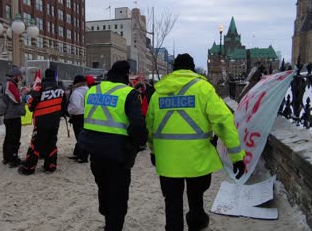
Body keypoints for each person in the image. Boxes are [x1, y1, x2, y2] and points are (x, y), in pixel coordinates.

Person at [146, 53, 246, 231]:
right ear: (192, 69)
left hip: (168, 160)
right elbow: (223, 122)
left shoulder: (158, 93)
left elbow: (151, 127)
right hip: (197, 159)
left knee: (172, 201)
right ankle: (196, 222)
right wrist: (236, 156)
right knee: (196, 196)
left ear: (174, 69)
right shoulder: (204, 89)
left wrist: (153, 151)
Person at [79, 61, 148, 231]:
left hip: (94, 149)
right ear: (126, 75)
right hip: (118, 152)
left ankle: (107, 215)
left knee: (103, 185)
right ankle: (113, 224)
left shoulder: (93, 90)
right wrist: (138, 143)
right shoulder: (128, 93)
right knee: (118, 193)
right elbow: (138, 125)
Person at [18, 68, 68, 175]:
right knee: (51, 143)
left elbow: (31, 106)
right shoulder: (60, 89)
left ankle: (29, 168)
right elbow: (64, 107)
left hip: (41, 122)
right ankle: (50, 166)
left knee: (36, 144)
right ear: (55, 76)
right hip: (55, 122)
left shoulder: (39, 88)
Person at [2, 65, 26, 168]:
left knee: (9, 137)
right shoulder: (10, 84)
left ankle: (7, 158)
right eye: (19, 77)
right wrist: (23, 93)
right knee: (14, 138)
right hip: (13, 116)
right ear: (15, 76)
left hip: (9, 116)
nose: (20, 79)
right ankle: (13, 158)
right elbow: (17, 99)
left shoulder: (7, 83)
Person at [68, 75, 89, 163]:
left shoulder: (76, 92)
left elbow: (76, 107)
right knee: (84, 136)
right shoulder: (88, 90)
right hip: (87, 116)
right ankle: (78, 153)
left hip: (78, 116)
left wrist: (69, 110)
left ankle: (82, 157)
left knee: (79, 136)